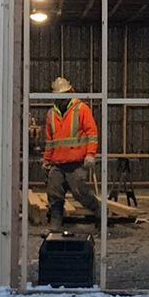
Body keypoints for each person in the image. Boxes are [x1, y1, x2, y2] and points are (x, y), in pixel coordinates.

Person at [41, 75, 102, 230]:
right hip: (57, 163)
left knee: (80, 192)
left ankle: (100, 212)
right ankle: (55, 223)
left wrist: (90, 154)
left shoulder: (81, 109)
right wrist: (47, 160)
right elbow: (50, 141)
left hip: (76, 162)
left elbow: (91, 133)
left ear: (70, 92)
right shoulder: (51, 114)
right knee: (54, 192)